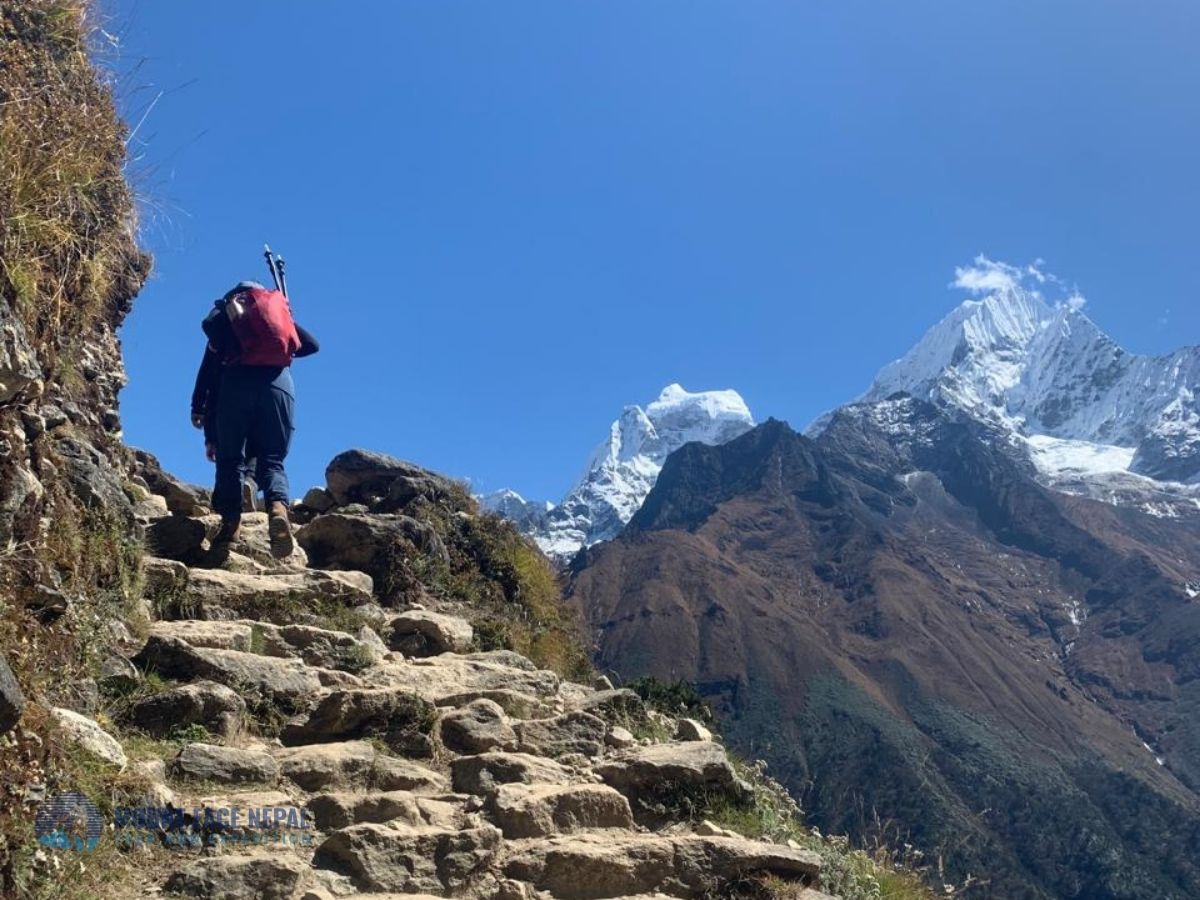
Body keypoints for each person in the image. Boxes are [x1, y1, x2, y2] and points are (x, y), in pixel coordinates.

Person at [198, 280, 319, 559]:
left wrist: (203, 412)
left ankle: (230, 528)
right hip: (279, 384)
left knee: (231, 458)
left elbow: (209, 344)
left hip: (236, 382)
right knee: (273, 458)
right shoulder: (276, 319)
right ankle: (277, 508)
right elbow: (312, 346)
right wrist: (286, 322)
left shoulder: (229, 314)